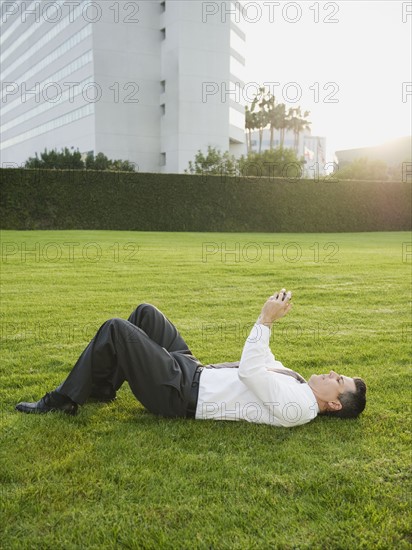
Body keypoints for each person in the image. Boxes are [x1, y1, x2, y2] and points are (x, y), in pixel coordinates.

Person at [15, 288, 367, 427]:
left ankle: (62, 400)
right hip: (194, 370)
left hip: (180, 392)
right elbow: (264, 360)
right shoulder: (300, 386)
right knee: (145, 313)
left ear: (334, 405)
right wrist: (273, 318)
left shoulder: (299, 408)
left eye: (339, 381)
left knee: (117, 329)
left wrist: (265, 320)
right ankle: (103, 388)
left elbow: (250, 373)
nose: (334, 373)